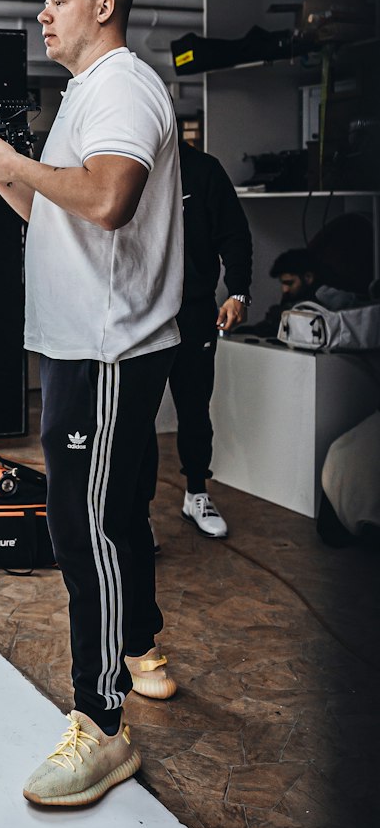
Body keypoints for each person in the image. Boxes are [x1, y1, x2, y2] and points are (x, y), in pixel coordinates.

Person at [0, 0, 182, 808]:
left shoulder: (122, 86)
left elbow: (108, 201)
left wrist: (19, 164)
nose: (44, 16)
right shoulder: (85, 99)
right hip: (83, 346)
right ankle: (140, 646)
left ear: (105, 3)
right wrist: (5, 179)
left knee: (80, 528)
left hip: (105, 349)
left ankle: (101, 724)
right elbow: (66, 218)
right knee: (116, 515)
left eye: (59, 1)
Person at [169, 141, 253, 540]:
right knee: (134, 418)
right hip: (137, 315)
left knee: (194, 409)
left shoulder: (203, 169)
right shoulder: (125, 163)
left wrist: (238, 292)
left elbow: (234, 235)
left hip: (194, 311)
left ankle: (196, 494)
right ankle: (137, 512)